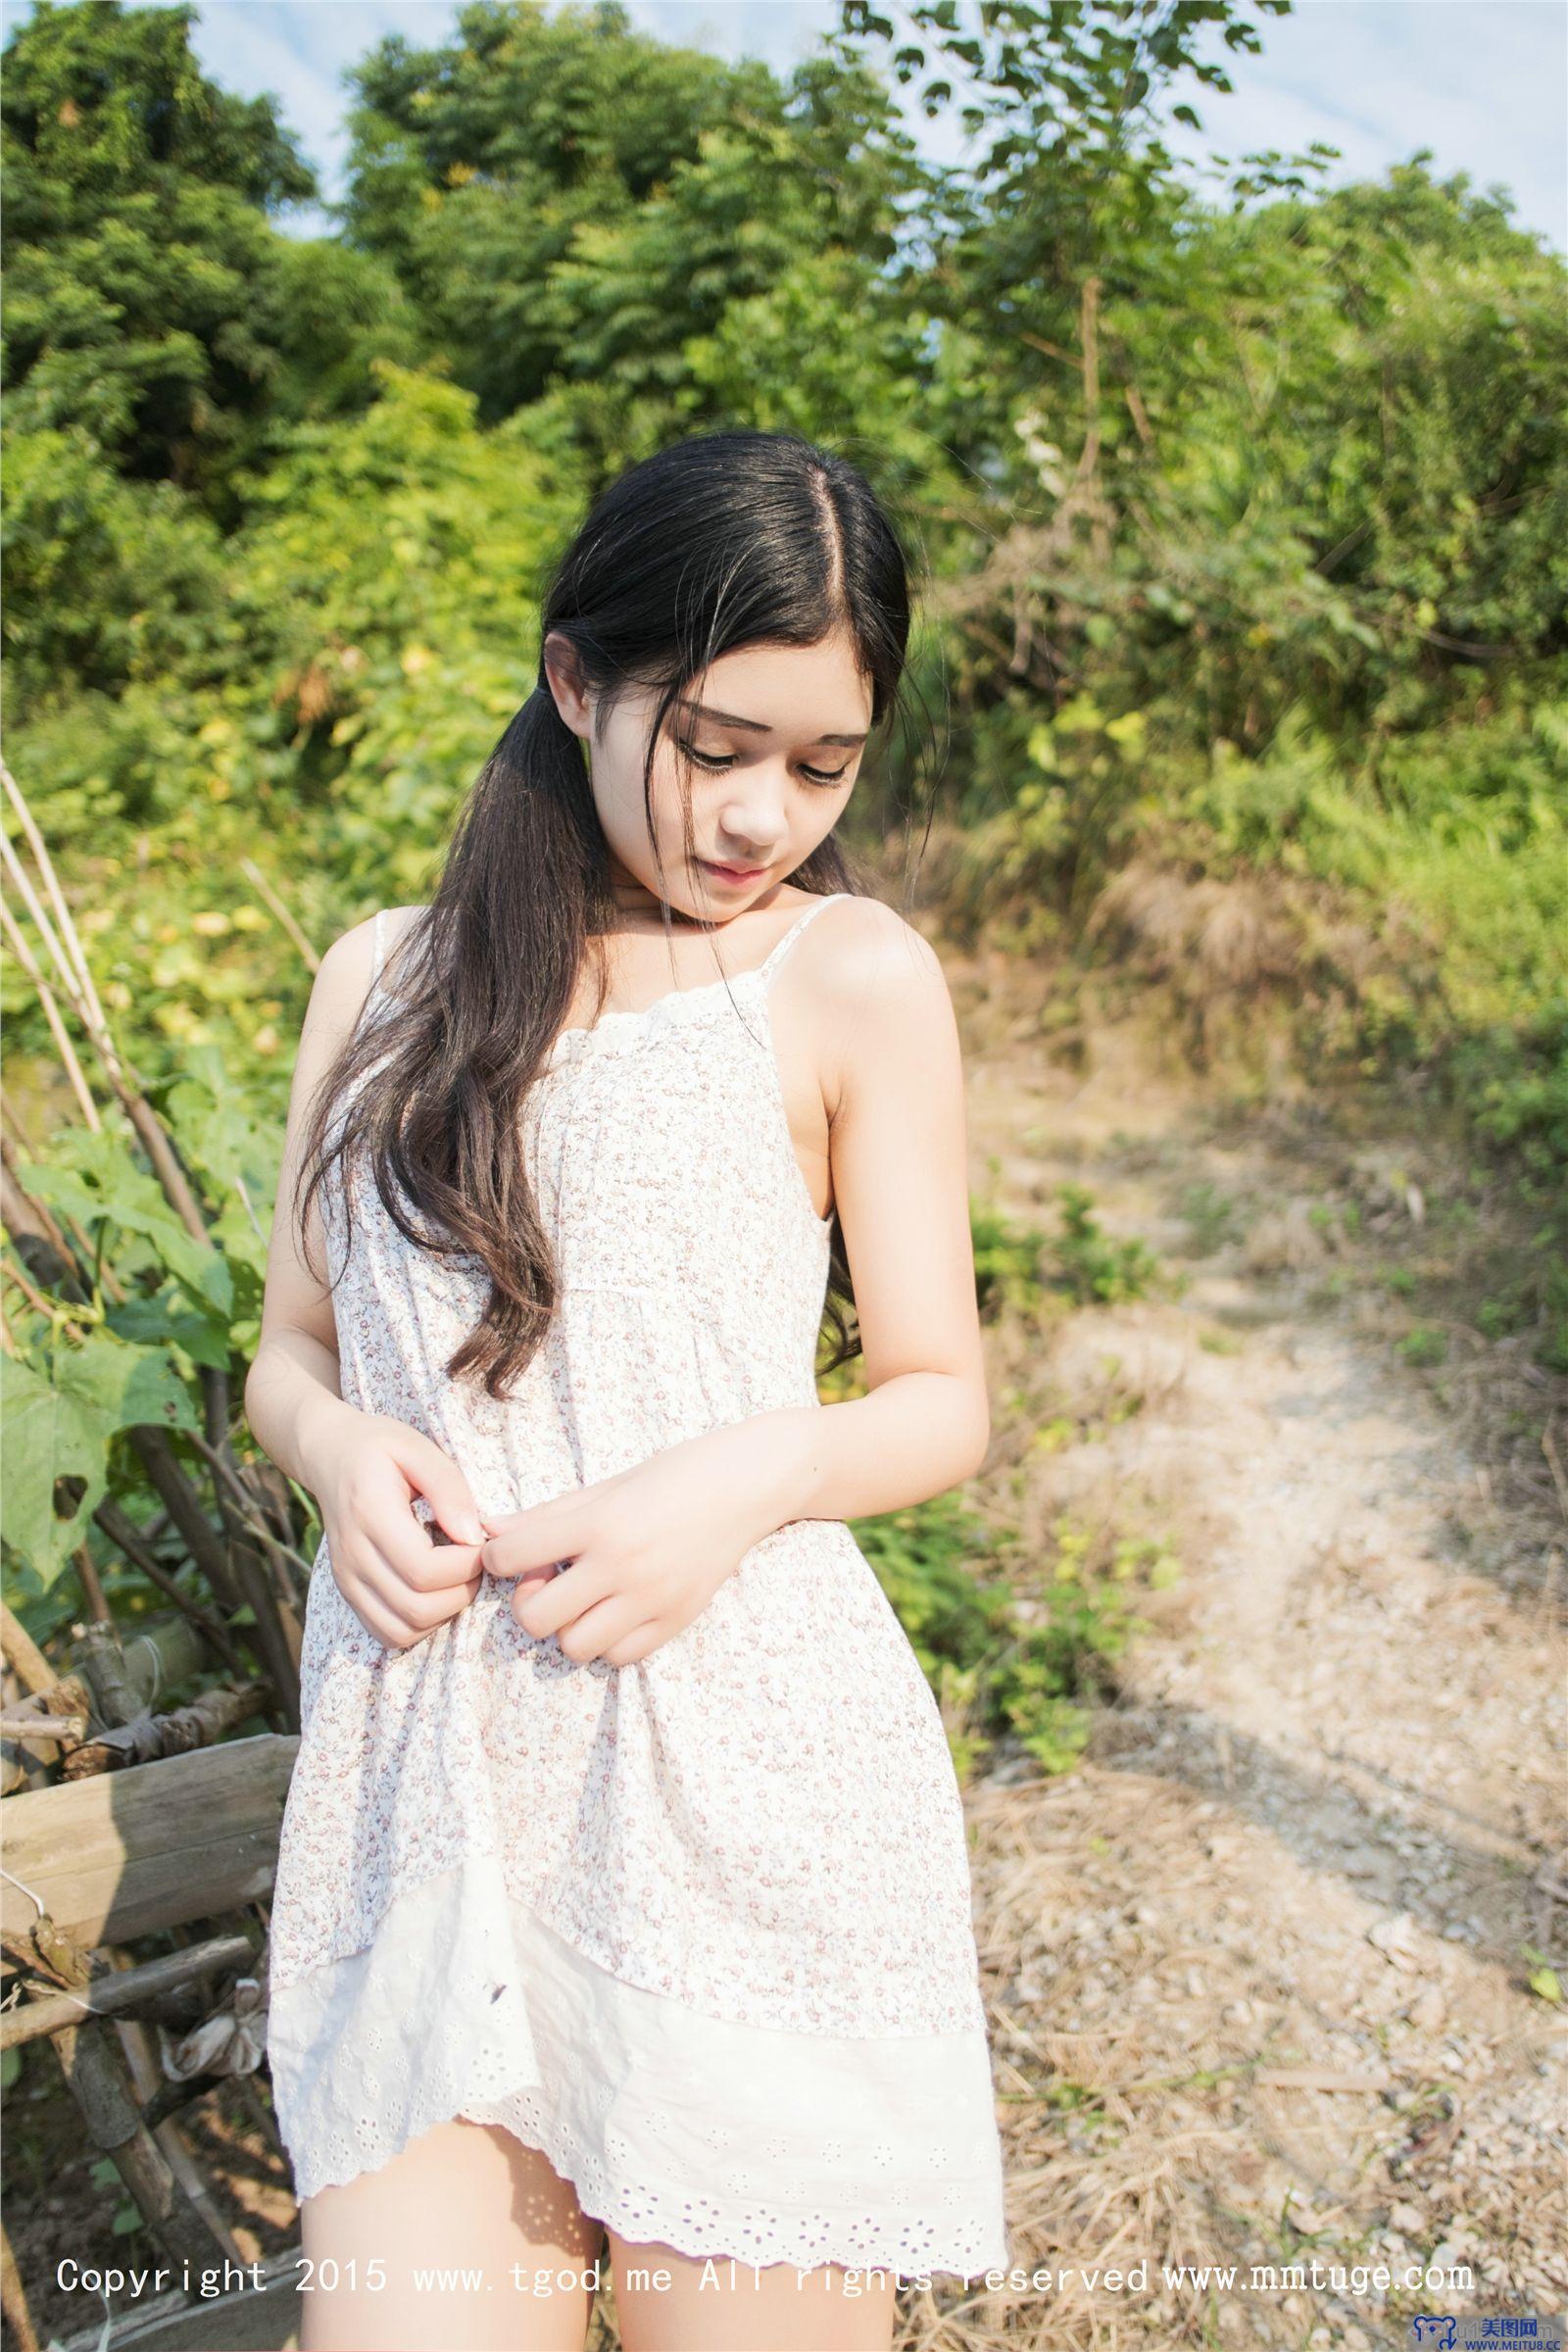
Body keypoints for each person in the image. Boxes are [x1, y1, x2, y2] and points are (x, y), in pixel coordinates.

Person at [246, 428, 1009, 2352]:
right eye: (715, 744)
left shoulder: (842, 976)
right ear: (575, 679)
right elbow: (294, 1349)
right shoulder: (380, 982)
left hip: (732, 1777)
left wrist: (733, 1480)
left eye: (820, 766)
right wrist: (335, 1452)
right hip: (417, 1781)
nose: (760, 814)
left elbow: (933, 1396)